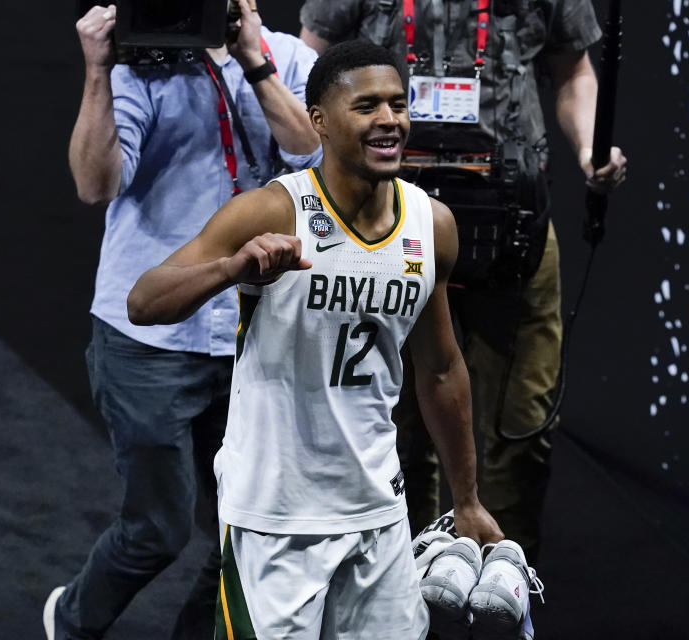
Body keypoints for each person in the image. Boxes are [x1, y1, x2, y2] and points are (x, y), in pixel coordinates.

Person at [126, 39, 503, 639]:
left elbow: (439, 369)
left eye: (398, 105)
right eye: (367, 107)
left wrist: (466, 498)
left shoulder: (431, 224)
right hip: (274, 518)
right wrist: (230, 270)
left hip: (378, 512)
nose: (389, 121)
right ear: (319, 123)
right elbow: (144, 301)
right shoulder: (273, 212)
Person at [299, 0, 627, 564]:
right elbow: (309, 63)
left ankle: (503, 583)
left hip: (517, 226)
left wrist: (588, 148)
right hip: (387, 221)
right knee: (393, 425)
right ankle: (403, 588)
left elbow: (573, 70)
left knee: (521, 425)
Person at [43, 2, 322, 639]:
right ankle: (72, 619)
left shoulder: (288, 56)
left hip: (256, 335)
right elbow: (95, 184)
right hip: (151, 337)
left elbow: (313, 158)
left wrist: (255, 63)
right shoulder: (140, 68)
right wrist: (96, 72)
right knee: (159, 529)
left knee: (254, 529)